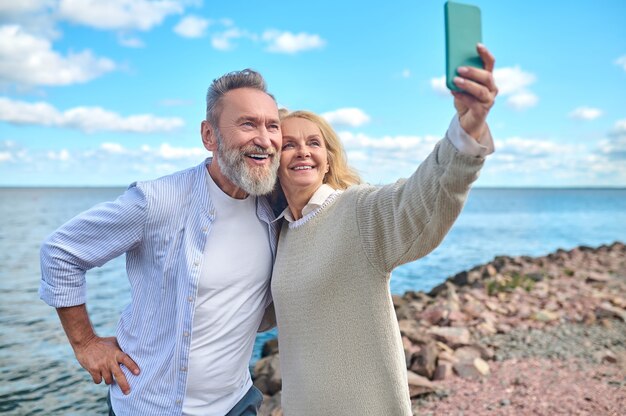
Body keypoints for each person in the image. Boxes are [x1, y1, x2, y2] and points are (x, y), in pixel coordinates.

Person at [271, 44, 498, 415]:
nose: (302, 152)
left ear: (328, 160)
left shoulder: (356, 210)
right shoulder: (280, 233)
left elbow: (421, 197)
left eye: (314, 143)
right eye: (288, 145)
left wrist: (465, 130)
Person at [39, 69, 281, 416]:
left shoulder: (272, 207)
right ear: (209, 135)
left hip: (237, 403)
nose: (264, 138)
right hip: (154, 405)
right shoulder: (158, 199)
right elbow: (60, 253)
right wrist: (85, 343)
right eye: (247, 124)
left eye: (272, 125)